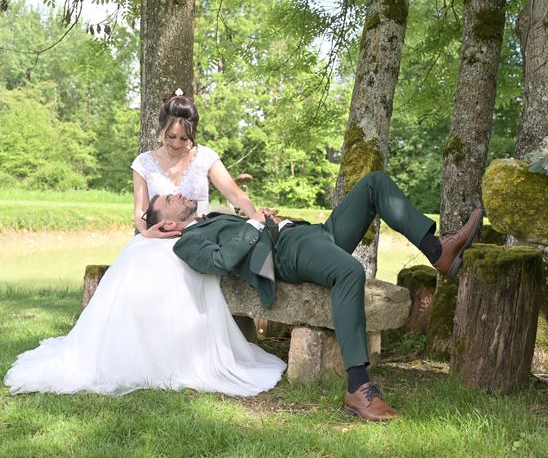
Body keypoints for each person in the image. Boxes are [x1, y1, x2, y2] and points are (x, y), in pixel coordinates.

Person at [4, 91, 286, 397]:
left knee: (175, 266)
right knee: (139, 256)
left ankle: (185, 355)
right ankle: (133, 352)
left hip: (197, 236)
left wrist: (254, 214)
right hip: (157, 235)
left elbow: (234, 195)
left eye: (184, 138)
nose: (177, 144)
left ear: (193, 134)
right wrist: (147, 232)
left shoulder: (206, 157)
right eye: (171, 137)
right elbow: (139, 213)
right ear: (161, 128)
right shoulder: (144, 163)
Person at [144, 172, 483, 422]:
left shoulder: (209, 218)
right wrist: (256, 225)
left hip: (311, 233)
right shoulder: (186, 241)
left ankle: (437, 249)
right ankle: (358, 387)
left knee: (375, 183)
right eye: (168, 200)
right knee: (349, 271)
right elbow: (222, 260)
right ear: (169, 225)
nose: (176, 194)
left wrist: (263, 221)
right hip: (287, 251)